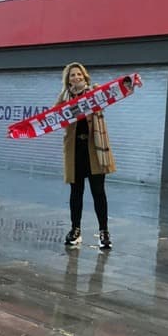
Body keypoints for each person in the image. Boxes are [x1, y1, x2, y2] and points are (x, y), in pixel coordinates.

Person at [56, 62, 116, 249]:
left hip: (95, 148)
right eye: (72, 75)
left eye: (79, 74)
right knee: (76, 192)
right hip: (75, 150)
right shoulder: (64, 98)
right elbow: (55, 117)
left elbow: (114, 93)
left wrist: (130, 84)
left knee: (98, 192)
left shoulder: (95, 92)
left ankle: (104, 232)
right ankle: (75, 230)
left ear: (85, 76)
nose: (76, 78)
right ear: (68, 79)